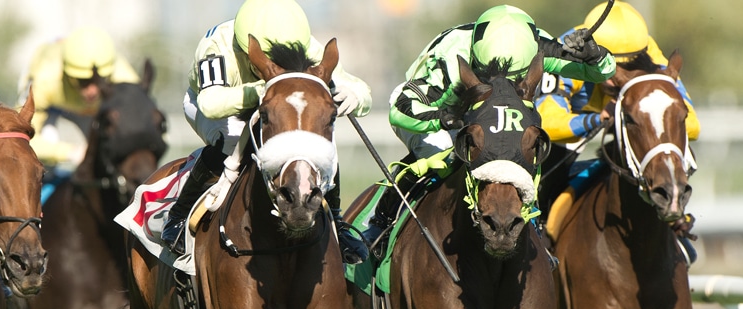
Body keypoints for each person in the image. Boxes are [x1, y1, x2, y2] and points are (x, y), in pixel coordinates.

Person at [360, 4, 615, 247]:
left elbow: (602, 72)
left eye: (512, 77)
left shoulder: (537, 45)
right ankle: (381, 219)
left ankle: (533, 230)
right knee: (442, 154)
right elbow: (399, 111)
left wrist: (597, 56)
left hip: (487, 116)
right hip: (435, 112)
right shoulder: (448, 60)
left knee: (520, 155)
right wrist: (444, 119)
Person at [161, 0, 374, 264]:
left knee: (317, 138)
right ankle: (179, 216)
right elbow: (211, 104)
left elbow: (360, 88)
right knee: (232, 140)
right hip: (213, 106)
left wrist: (355, 96)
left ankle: (337, 223)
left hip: (276, 108)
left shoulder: (306, 44)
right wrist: (262, 91)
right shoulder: (217, 46)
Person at [535, 0, 701, 261]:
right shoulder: (565, 52)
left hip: (625, 128)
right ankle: (538, 232)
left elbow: (692, 125)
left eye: (631, 64)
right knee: (547, 159)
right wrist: (597, 119)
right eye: (611, 64)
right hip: (563, 139)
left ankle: (672, 216)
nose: (620, 76)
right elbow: (544, 123)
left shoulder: (648, 48)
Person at [17, 26, 141, 177]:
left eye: (99, 80)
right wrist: (69, 152)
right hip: (54, 109)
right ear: (66, 72)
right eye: (83, 81)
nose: (92, 91)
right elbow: (21, 138)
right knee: (45, 154)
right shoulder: (45, 78)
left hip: (97, 111)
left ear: (110, 73)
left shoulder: (125, 78)